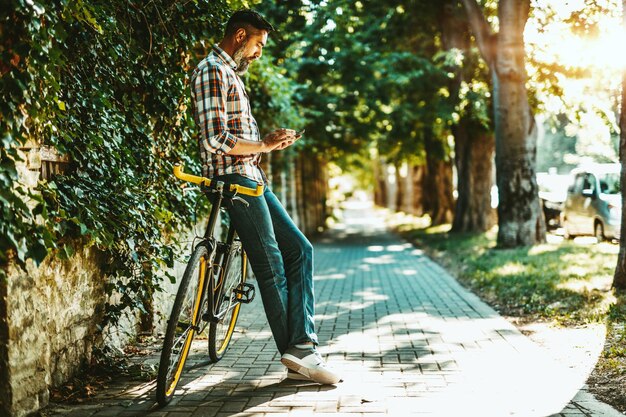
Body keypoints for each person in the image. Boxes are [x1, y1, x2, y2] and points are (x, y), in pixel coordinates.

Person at [190, 9, 341, 385]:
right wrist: (263, 144)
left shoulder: (231, 75)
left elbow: (239, 138)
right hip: (234, 180)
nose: (259, 53)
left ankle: (302, 344)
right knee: (271, 263)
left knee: (300, 249)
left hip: (252, 177)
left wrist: (267, 144)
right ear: (240, 36)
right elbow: (215, 139)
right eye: (258, 43)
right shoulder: (212, 70)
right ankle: (300, 354)